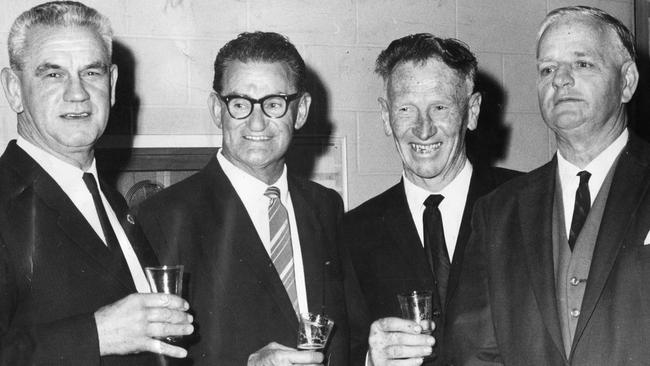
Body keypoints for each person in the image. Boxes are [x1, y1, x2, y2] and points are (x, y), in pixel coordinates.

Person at [136, 31, 368, 365]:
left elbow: (352, 338)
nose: (257, 122)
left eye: (274, 104)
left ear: (300, 110)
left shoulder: (325, 206)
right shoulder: (162, 216)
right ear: (218, 109)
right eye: (240, 104)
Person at [446, 6, 650, 365]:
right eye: (547, 69)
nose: (560, 80)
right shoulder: (498, 212)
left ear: (628, 81)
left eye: (582, 63)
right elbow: (474, 355)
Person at [0, 2, 194, 365]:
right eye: (53, 74)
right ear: (14, 89)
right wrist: (96, 335)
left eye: (91, 72)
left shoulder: (110, 200)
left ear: (113, 84)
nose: (78, 93)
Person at [340, 33, 519, 365]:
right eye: (406, 109)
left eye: (439, 107)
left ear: (473, 111)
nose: (423, 129)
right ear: (385, 116)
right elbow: (340, 351)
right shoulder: (352, 233)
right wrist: (369, 360)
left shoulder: (525, 204)